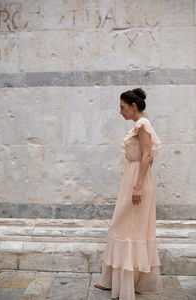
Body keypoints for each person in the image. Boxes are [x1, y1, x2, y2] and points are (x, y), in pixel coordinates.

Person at [94, 88, 164, 299]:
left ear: (134, 106)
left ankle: (126, 285)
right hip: (133, 178)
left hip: (137, 180)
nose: (120, 111)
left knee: (128, 228)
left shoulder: (142, 124)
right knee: (124, 227)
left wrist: (138, 186)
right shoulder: (139, 125)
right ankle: (116, 281)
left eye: (122, 107)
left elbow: (147, 157)